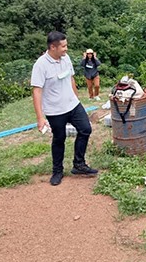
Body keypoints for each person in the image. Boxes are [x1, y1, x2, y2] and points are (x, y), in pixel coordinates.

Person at [31, 31, 98, 186]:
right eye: (63, 46)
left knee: (85, 129)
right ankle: (57, 171)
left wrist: (76, 98)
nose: (66, 49)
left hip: (73, 105)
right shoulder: (41, 65)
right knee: (59, 139)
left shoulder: (65, 58)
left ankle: (79, 164)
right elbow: (37, 91)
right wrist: (40, 117)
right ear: (53, 47)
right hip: (55, 111)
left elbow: (71, 78)